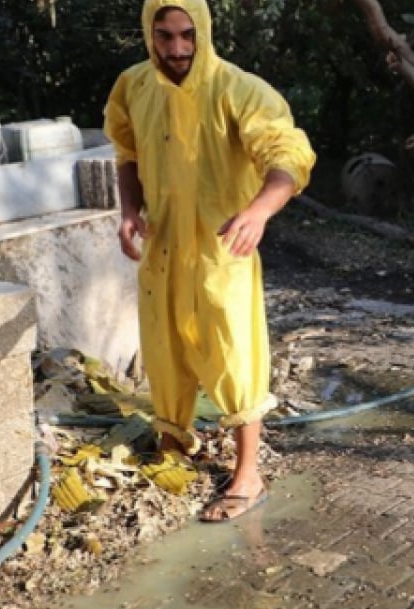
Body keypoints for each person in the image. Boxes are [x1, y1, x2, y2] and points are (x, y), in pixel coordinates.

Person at [104, 0, 316, 521]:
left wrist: (260, 211)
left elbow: (288, 155)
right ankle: (175, 442)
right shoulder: (134, 85)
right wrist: (130, 210)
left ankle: (249, 474)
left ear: (204, 32)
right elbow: (127, 153)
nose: (177, 49)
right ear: (148, 34)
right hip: (163, 248)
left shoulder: (239, 89)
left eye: (186, 36)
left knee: (233, 352)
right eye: (164, 36)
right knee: (164, 350)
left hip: (220, 249)